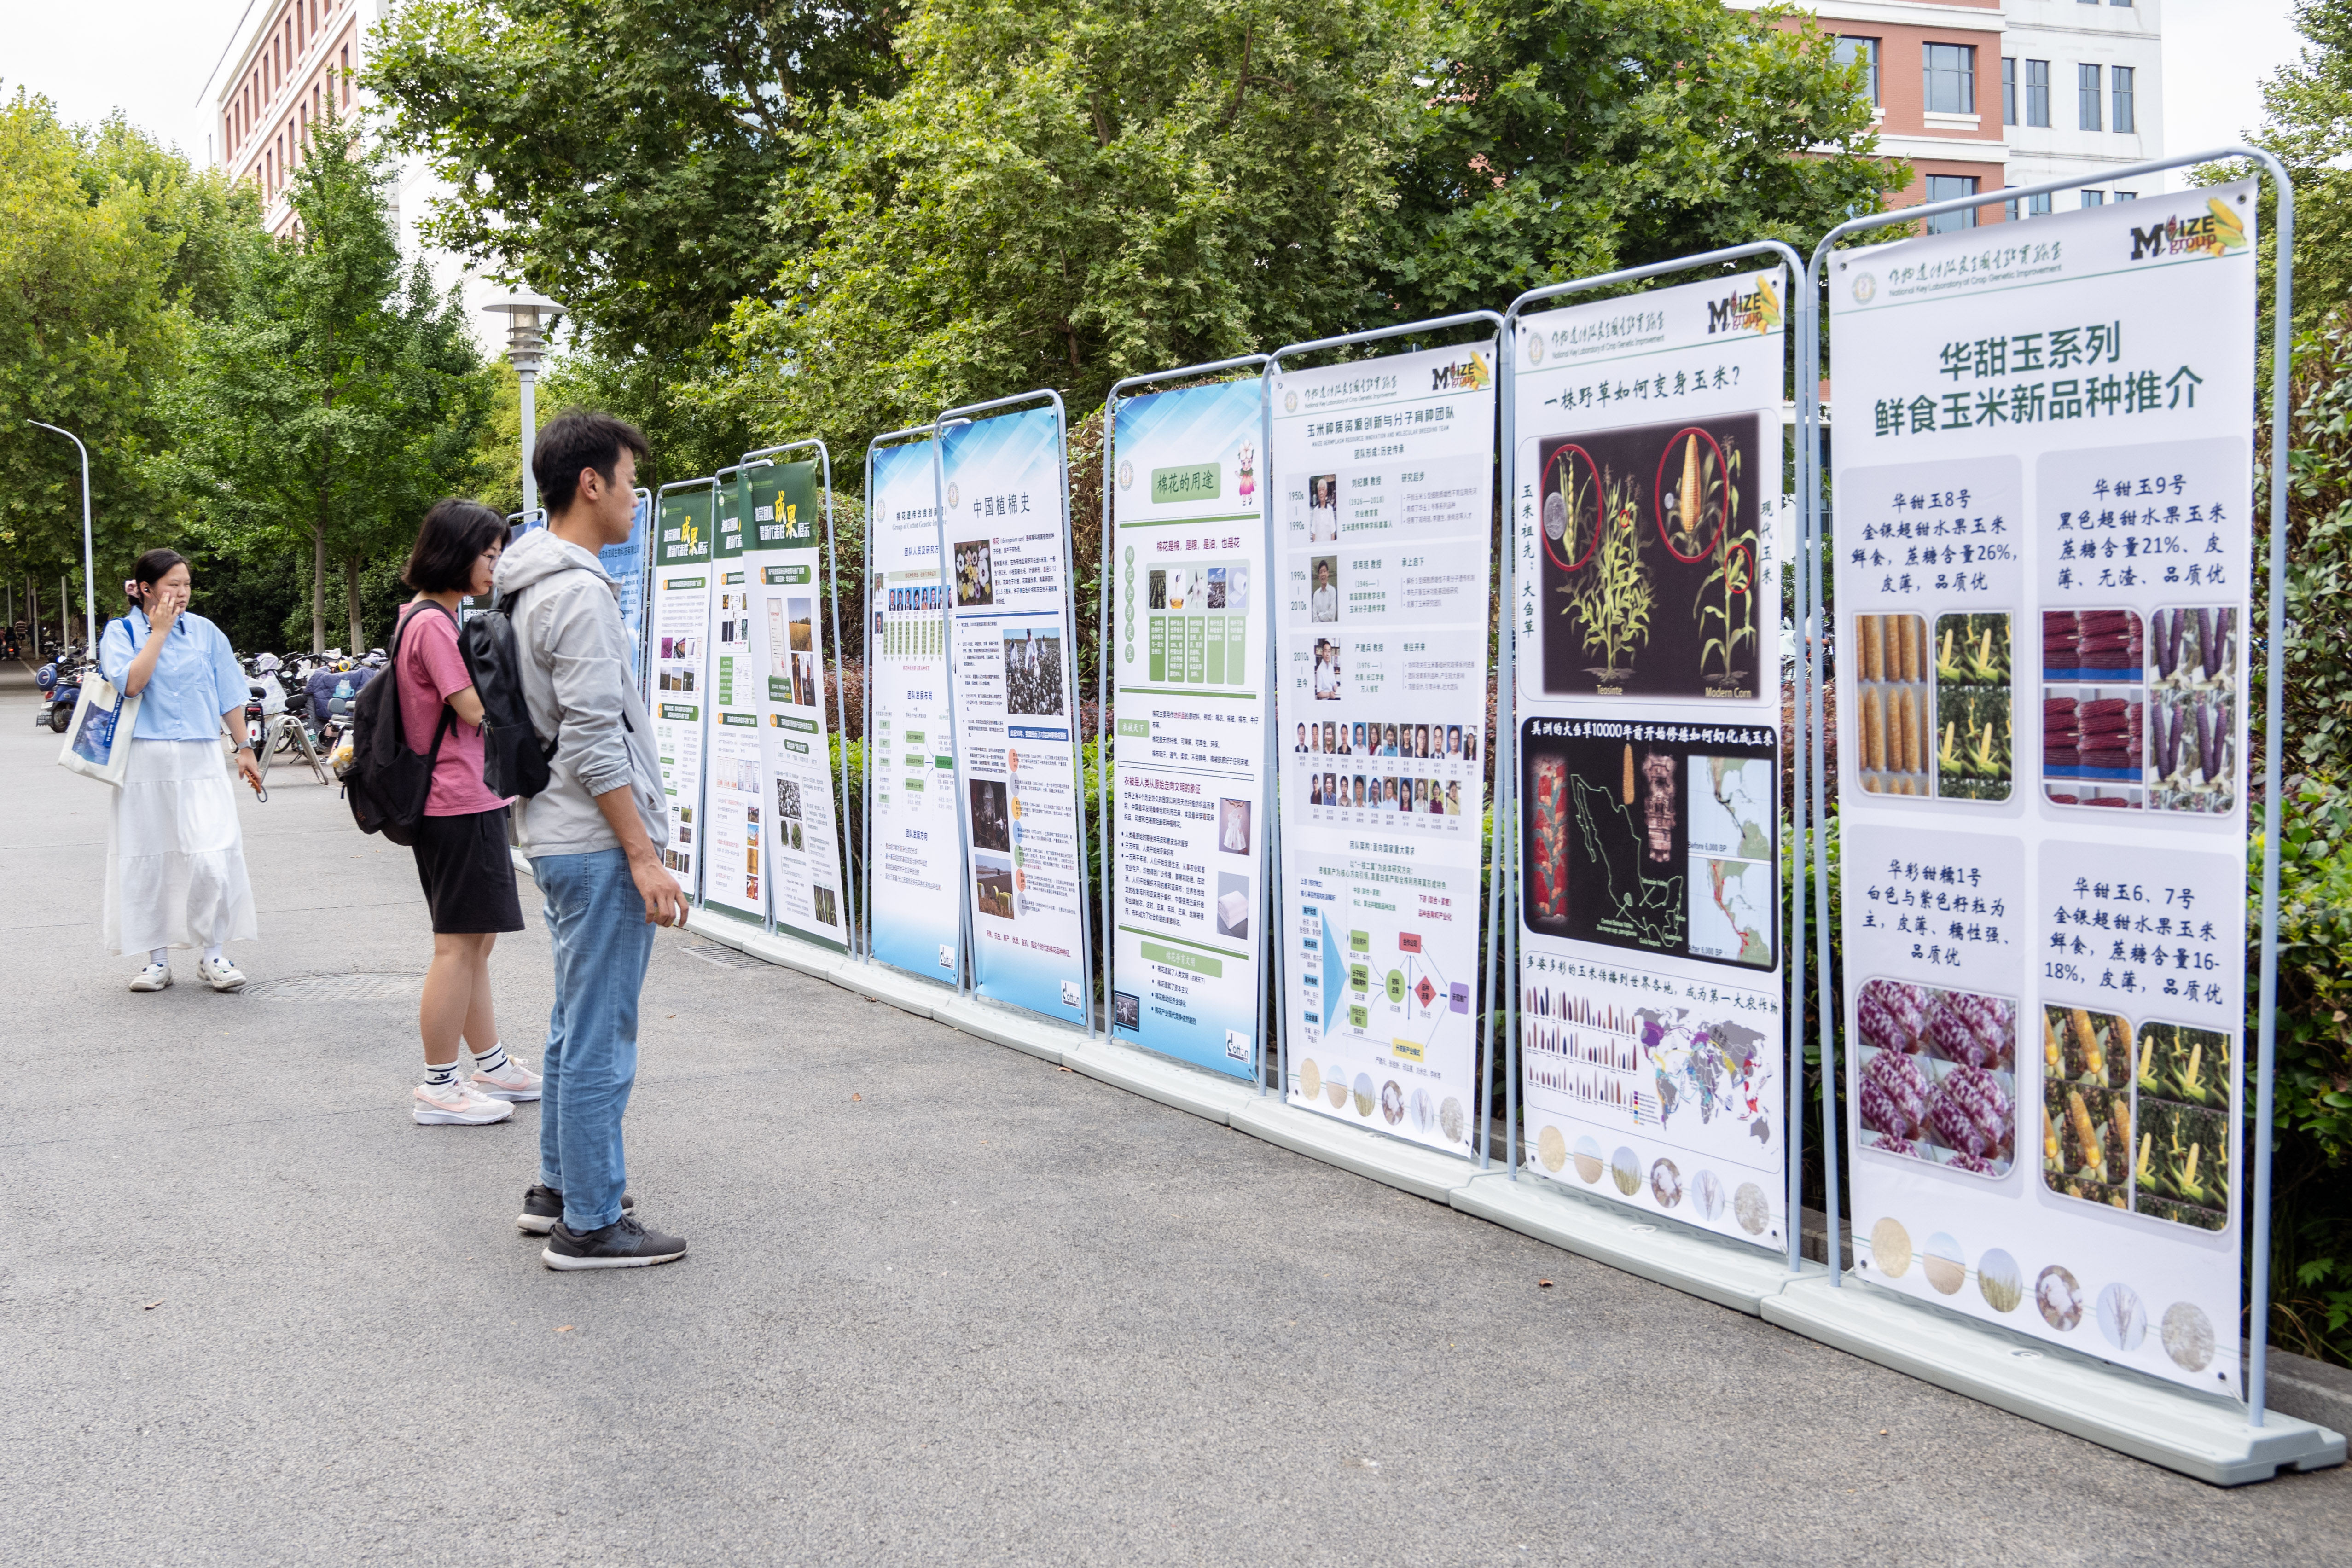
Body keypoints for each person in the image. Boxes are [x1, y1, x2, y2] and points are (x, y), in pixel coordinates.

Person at [497, 411, 688, 1270]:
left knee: (573, 1022)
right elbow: (593, 739)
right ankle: (591, 1223)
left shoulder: (525, 582)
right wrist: (643, 854)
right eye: (630, 481)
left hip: (556, 834)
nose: (637, 499)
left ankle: (558, 1189)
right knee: (600, 1034)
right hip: (595, 841)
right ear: (590, 485)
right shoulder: (575, 591)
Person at [396, 499, 543, 1127]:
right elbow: (472, 706)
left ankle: (490, 1062)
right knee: (456, 947)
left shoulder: (434, 616)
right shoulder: (432, 623)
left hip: (469, 796)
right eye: (489, 553)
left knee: (475, 944)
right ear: (456, 551)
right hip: (454, 799)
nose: (497, 564)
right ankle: (438, 1083)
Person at [100, 550, 261, 992]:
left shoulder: (207, 633)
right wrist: (159, 632)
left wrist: (244, 747)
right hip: (143, 759)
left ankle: (214, 953)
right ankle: (156, 959)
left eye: (187, 584)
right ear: (146, 589)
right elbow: (132, 684)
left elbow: (229, 691)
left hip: (201, 754)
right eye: (173, 584)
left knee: (212, 855)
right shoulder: (121, 632)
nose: (183, 593)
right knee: (151, 855)